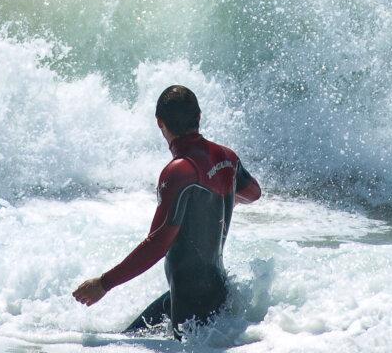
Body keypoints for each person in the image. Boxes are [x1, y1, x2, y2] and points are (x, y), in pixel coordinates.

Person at [72, 85, 262, 338]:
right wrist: (221, 198)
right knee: (122, 339)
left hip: (190, 307)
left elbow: (159, 242)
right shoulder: (227, 157)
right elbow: (253, 193)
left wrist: (104, 284)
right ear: (199, 116)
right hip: (214, 290)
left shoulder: (179, 171)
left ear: (160, 123)